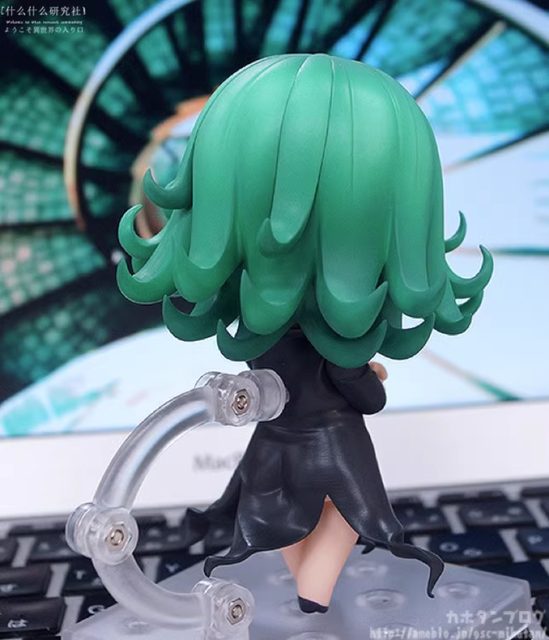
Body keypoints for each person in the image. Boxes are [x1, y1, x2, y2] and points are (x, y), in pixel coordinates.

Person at [117, 53, 493, 613]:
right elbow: (367, 396)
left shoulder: (260, 334)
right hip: (334, 446)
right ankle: (314, 597)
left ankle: (309, 596)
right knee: (342, 513)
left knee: (274, 514)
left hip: (272, 444)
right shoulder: (342, 341)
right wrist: (370, 376)